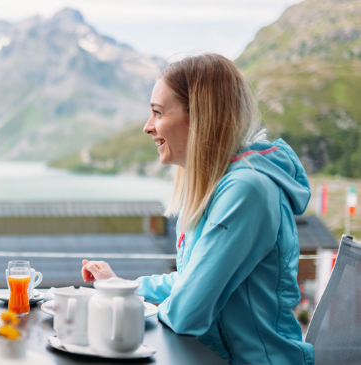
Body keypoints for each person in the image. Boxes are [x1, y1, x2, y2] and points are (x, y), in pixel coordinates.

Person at [81, 54, 314, 365]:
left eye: (158, 113)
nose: (148, 127)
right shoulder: (223, 184)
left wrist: (127, 306)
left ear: (201, 116)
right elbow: (192, 279)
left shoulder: (247, 191)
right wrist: (123, 287)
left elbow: (186, 312)